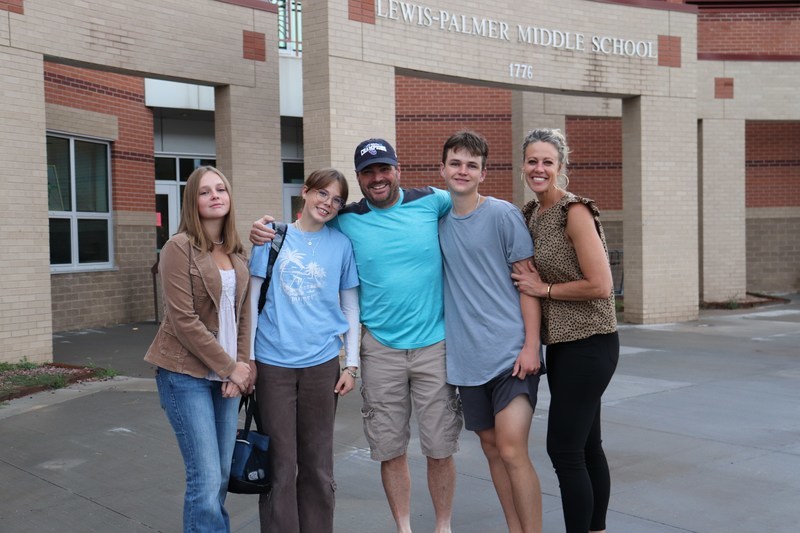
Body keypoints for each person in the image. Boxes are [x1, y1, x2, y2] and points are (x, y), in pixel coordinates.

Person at [250, 139, 462, 533]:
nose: (377, 178)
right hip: (377, 349)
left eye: (384, 169)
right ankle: (403, 528)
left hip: (433, 344)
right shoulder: (346, 220)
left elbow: (471, 205)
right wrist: (264, 228)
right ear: (360, 179)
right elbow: (300, 230)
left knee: (439, 445)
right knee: (388, 447)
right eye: (368, 172)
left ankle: (442, 527)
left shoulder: (432, 201)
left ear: (398, 169)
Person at [511, 128, 619, 533]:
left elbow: (601, 284)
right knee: (588, 447)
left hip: (591, 344)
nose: (539, 169)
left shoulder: (574, 212)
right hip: (563, 347)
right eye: (533, 161)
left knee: (565, 449)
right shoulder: (529, 214)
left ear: (561, 167)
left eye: (547, 162)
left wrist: (545, 288)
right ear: (523, 165)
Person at [438, 131, 544, 533]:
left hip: (510, 354)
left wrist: (531, 346)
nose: (462, 171)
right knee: (492, 449)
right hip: (466, 360)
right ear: (443, 168)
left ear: (484, 173)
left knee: (513, 447)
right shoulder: (436, 218)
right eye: (456, 163)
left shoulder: (503, 215)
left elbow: (527, 284)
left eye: (471, 165)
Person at [249, 168, 360, 533]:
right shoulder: (271, 237)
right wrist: (248, 360)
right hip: (273, 366)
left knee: (316, 465)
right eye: (322, 194)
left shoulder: (341, 245)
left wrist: (351, 364)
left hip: (321, 366)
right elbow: (251, 302)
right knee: (281, 466)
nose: (328, 203)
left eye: (337, 199)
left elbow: (350, 308)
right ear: (305, 192)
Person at [144, 165, 252, 532]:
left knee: (221, 476)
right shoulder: (178, 247)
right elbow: (182, 320)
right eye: (205, 191)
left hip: (226, 379)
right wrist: (231, 367)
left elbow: (243, 319)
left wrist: (243, 368)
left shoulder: (237, 253)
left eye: (220, 189)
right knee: (204, 479)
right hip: (184, 375)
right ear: (193, 200)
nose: (215, 196)